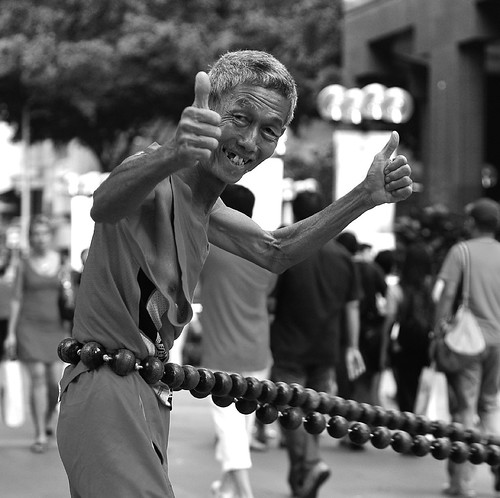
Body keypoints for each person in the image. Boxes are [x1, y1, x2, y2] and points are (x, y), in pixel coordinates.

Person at [55, 49, 412, 498]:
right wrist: (170, 153)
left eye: (269, 131)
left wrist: (364, 195)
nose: (248, 142)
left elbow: (275, 250)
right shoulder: (158, 174)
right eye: (239, 118)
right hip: (106, 395)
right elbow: (104, 204)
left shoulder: (208, 207)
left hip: (141, 393)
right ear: (208, 110)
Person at [270, 190, 365, 498]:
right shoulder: (343, 256)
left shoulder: (289, 252)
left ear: (295, 213)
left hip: (289, 344)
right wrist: (352, 346)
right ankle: (302, 478)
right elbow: (352, 307)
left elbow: (272, 301)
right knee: (313, 411)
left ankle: (309, 464)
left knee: (290, 411)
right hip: (327, 346)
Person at [199, 184, 277, 498]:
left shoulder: (208, 248)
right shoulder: (266, 254)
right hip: (259, 349)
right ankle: (226, 489)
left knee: (230, 430)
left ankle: (245, 493)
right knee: (240, 427)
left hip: (221, 353)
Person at [434, 198, 500, 498]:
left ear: (472, 223)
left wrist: (438, 332)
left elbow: (446, 295)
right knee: (490, 406)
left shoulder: (461, 251)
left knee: (465, 409)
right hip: (499, 342)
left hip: (469, 342)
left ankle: (462, 484)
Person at [4, 215, 67, 453]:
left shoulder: (60, 262)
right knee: (38, 377)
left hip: (54, 328)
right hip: (28, 327)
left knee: (54, 383)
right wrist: (11, 333)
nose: (40, 238)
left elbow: (68, 297)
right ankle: (40, 432)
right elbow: (17, 299)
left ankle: (48, 416)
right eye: (35, 234)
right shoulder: (23, 264)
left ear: (50, 236)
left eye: (43, 233)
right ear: (30, 238)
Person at [389, 243, 434, 413]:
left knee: (405, 391)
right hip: (425, 345)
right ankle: (417, 428)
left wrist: (385, 349)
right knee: (420, 389)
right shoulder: (431, 290)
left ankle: (406, 430)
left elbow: (390, 320)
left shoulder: (398, 289)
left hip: (403, 345)